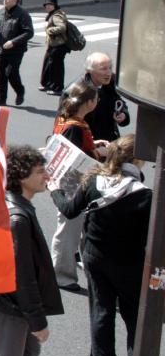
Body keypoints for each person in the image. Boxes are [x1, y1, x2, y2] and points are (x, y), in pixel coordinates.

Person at [52, 136, 150, 356]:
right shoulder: (145, 195)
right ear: (137, 161)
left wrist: (55, 190)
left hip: (95, 257)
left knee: (101, 311)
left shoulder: (94, 180)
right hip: (131, 263)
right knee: (134, 318)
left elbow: (70, 209)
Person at [0, 146, 63, 356]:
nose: (47, 176)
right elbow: (22, 275)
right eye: (40, 171)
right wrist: (37, 320)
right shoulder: (18, 218)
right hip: (12, 306)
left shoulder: (19, 208)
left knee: (28, 352)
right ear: (21, 176)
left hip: (14, 304)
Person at [50, 82, 109, 291]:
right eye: (96, 99)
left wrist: (95, 146)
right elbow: (75, 157)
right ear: (90, 102)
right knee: (69, 231)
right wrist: (97, 154)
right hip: (73, 185)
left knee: (74, 229)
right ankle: (61, 275)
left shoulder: (67, 120)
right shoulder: (75, 126)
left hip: (70, 183)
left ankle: (65, 271)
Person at [72, 52, 128, 143]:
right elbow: (68, 124)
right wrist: (91, 144)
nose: (108, 73)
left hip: (109, 140)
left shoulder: (111, 82)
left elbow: (118, 101)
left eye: (110, 68)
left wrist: (123, 114)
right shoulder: (77, 91)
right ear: (90, 71)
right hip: (88, 143)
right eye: (103, 69)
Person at [0, 0, 34, 106]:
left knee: (11, 73)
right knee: (1, 75)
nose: (5, 0)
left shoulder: (22, 14)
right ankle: (1, 99)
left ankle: (20, 91)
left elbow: (29, 32)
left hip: (15, 50)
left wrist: (13, 42)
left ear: (15, 0)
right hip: (1, 48)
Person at [39, 0, 68, 95]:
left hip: (59, 45)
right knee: (48, 64)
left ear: (54, 6)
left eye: (50, 5)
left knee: (56, 67)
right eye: (46, 5)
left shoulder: (56, 16)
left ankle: (57, 88)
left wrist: (48, 30)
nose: (47, 7)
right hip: (54, 45)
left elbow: (62, 27)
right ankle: (48, 84)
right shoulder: (53, 14)